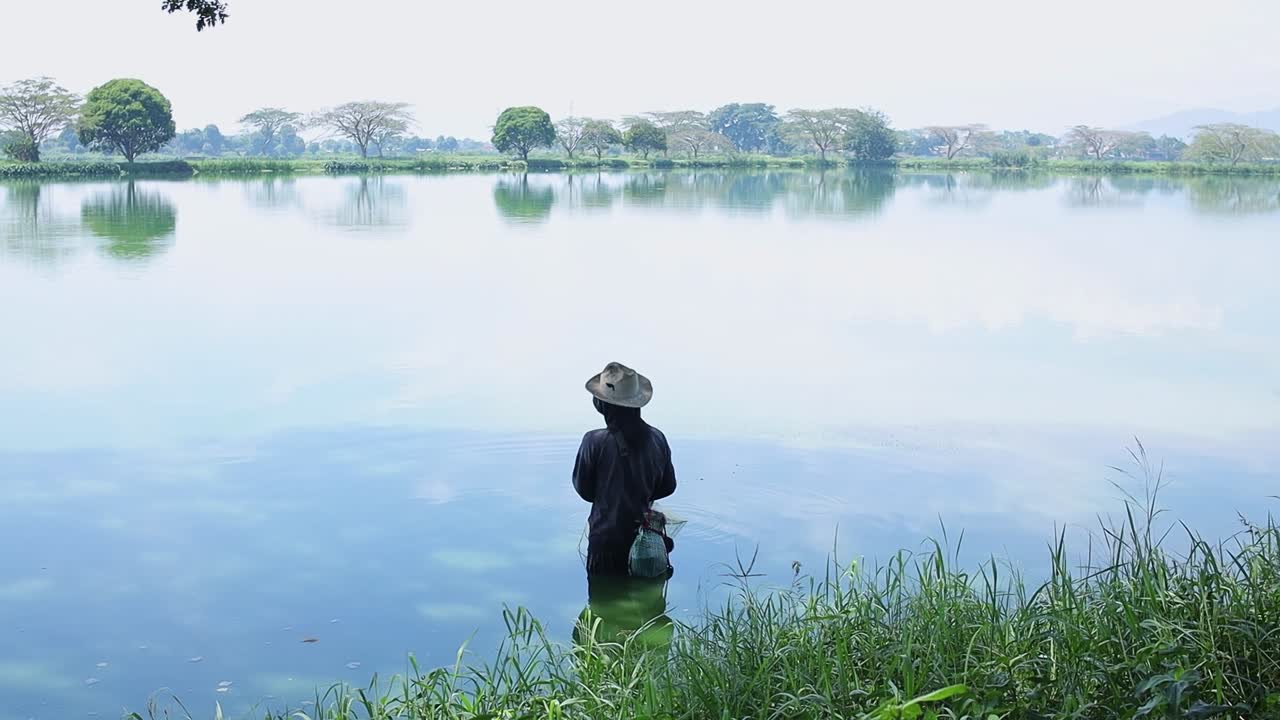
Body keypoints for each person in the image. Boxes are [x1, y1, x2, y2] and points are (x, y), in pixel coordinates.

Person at [573, 362, 677, 576]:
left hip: (605, 545)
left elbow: (585, 492)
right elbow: (668, 487)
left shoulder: (594, 441)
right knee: (649, 607)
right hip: (647, 543)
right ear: (637, 403)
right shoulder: (657, 438)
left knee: (604, 604)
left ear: (602, 405)